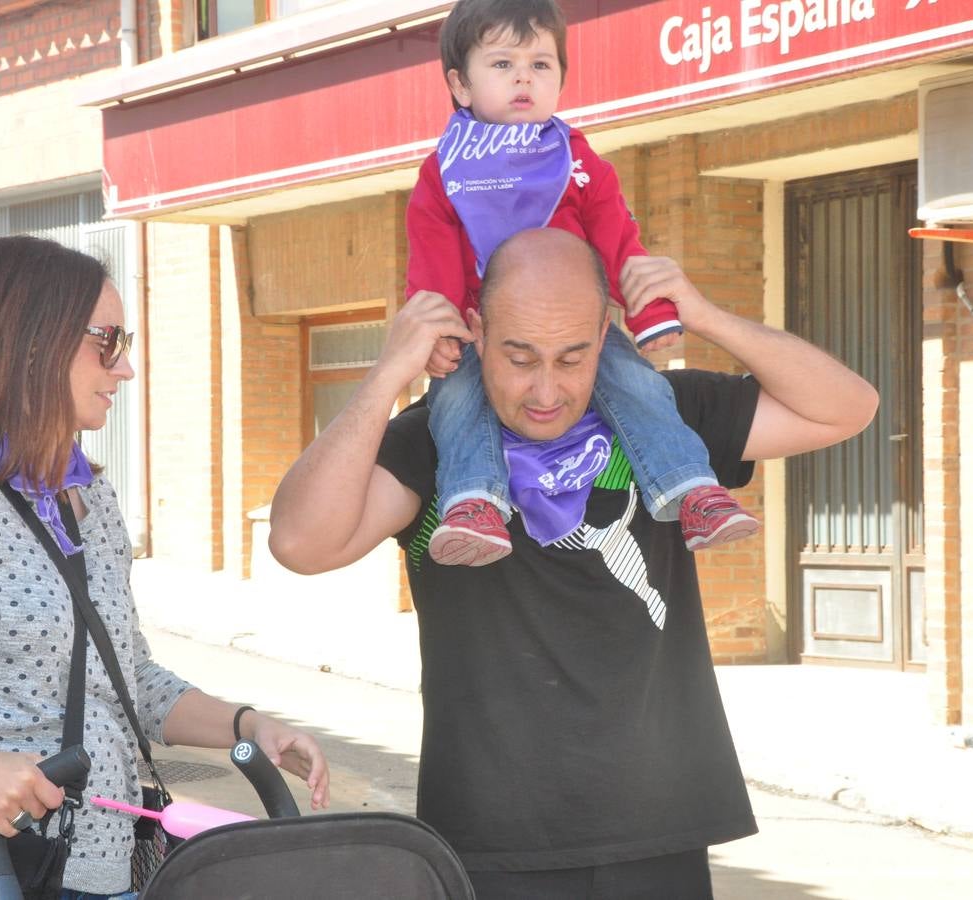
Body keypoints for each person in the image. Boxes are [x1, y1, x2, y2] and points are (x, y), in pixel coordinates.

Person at [269, 228, 878, 898]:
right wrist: (387, 373)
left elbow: (847, 408)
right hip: (492, 838)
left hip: (661, 821)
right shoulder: (436, 442)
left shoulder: (664, 423)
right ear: (475, 329)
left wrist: (701, 315)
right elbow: (301, 544)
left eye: (571, 357)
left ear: (606, 333)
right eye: (518, 357)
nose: (544, 390)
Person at [0, 236, 330, 899]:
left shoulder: (90, 497)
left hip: (99, 872)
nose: (126, 368)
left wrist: (245, 725)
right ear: (29, 342)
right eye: (106, 341)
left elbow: (126, 675)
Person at [408, 0, 756, 567]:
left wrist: (650, 312)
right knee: (456, 401)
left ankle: (692, 488)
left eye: (541, 65)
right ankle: (474, 502)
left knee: (640, 386)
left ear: (561, 82)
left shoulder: (574, 158)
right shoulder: (443, 170)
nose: (524, 76)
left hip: (579, 331)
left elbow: (616, 237)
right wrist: (441, 330)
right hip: (483, 333)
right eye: (501, 64)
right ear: (460, 85)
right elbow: (432, 255)